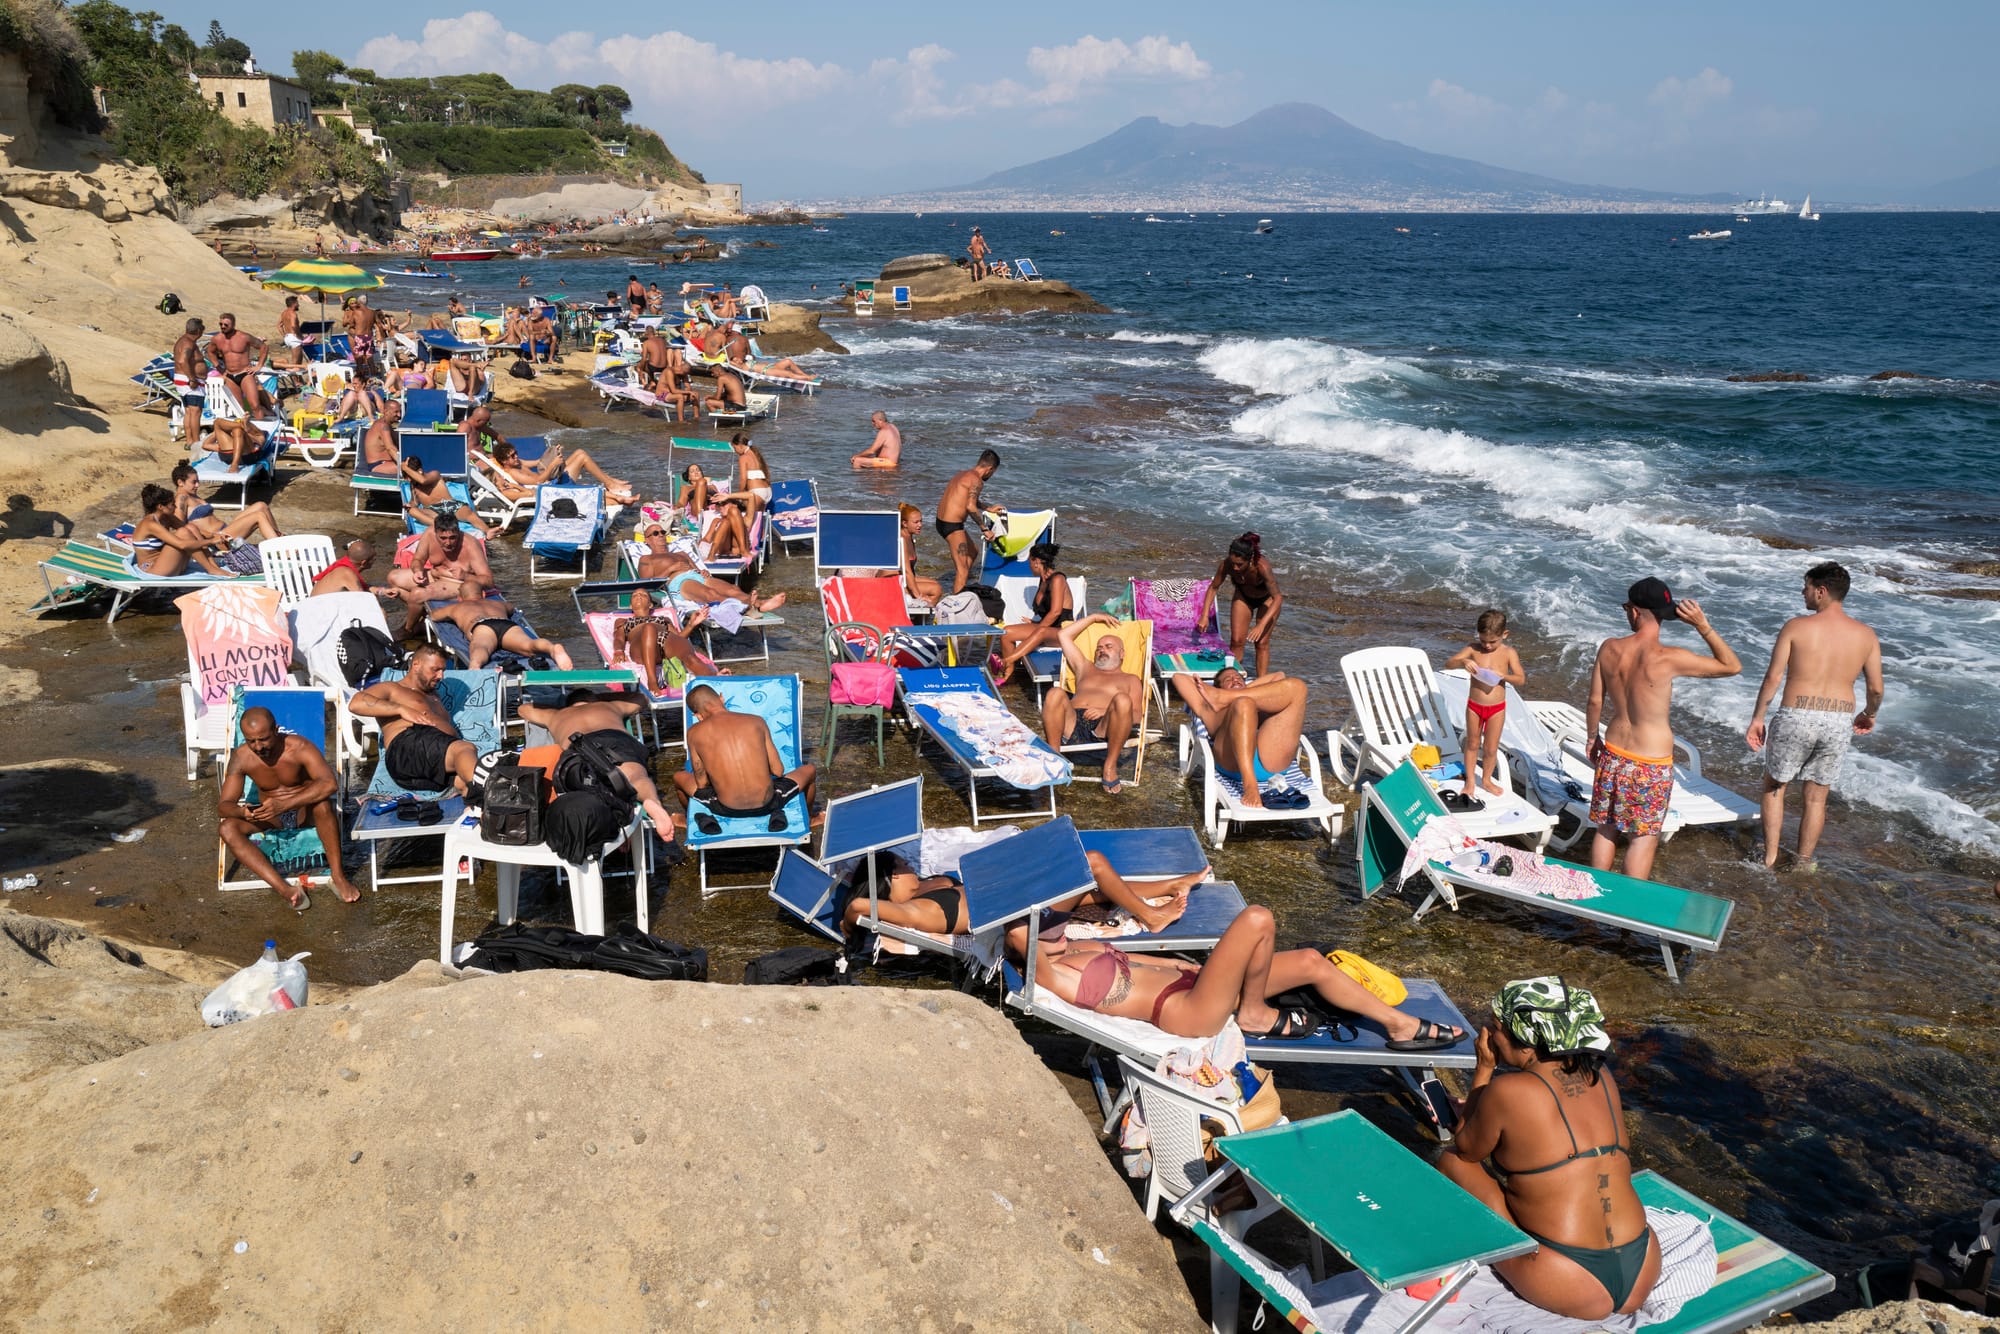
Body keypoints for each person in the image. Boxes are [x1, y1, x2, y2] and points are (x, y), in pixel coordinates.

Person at [1436, 977, 1660, 1321]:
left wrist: (1483, 1071)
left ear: (1527, 1045)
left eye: (1497, 1028)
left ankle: (1507, 1241)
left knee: (1453, 1163)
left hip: (1568, 1278)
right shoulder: (1601, 1076)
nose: (1491, 1035)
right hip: (1642, 1265)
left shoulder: (1508, 1090)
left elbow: (1466, 1147)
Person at [1009, 902, 1463, 1045]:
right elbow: (1020, 940)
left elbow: (1144, 963)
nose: (1056, 917)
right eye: (1043, 920)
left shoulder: (1076, 944)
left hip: (1192, 985)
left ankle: (1398, 1024)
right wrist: (1016, 926)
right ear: (1026, 940)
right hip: (1184, 1011)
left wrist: (1182, 965)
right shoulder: (1051, 973)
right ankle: (1253, 1012)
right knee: (1257, 919)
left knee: (1308, 961)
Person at [1585, 578, 1741, 881]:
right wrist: (1702, 626)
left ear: (1634, 611)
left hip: (1614, 752)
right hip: (1650, 763)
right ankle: (1626, 920)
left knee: (1606, 828)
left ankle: (1590, 904)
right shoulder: (1669, 657)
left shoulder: (1609, 648)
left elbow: (1594, 701)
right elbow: (1731, 665)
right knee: (1643, 838)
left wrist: (1592, 738)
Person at [1744, 562, 1884, 870]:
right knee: (1817, 798)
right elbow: (1875, 688)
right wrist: (1869, 714)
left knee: (1775, 787)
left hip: (1797, 715)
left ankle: (1769, 858)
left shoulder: (1796, 627)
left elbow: (1773, 677)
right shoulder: (1866, 635)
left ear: (1821, 591)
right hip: (1838, 720)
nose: (1802, 592)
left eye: (1806, 587)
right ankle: (1803, 863)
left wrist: (1758, 717)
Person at [848, 846, 1207, 940]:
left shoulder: (927, 884)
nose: (909, 864)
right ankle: (1152, 916)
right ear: (892, 877)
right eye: (902, 864)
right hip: (1023, 918)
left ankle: (1170, 886)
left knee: (1087, 888)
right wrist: (849, 927)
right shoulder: (919, 910)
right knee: (1092, 864)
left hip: (1015, 894)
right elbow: (860, 905)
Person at [218, 706, 362, 908]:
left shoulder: (300, 747)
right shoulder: (242, 757)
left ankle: (338, 877)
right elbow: (224, 806)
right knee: (227, 828)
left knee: (323, 805)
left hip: (304, 811)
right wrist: (243, 812)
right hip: (271, 817)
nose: (258, 747)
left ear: (276, 730)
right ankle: (284, 888)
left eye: (264, 739)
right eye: (251, 741)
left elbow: (329, 784)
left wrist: (284, 804)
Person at [516, 693, 678, 840]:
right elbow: (641, 698)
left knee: (590, 787)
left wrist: (556, 705)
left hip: (579, 745)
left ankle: (615, 823)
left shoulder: (556, 714)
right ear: (594, 699)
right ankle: (652, 802)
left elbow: (523, 710)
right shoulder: (609, 706)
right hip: (615, 738)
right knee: (636, 777)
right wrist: (604, 698)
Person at [672, 683, 818, 831]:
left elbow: (702, 783)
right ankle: (810, 818)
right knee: (810, 770)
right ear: (721, 698)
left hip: (725, 808)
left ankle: (686, 818)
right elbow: (778, 771)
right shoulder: (756, 721)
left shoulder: (694, 733)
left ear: (697, 715)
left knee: (678, 777)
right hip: (769, 803)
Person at [350, 644, 483, 798]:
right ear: (416, 665)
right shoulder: (394, 689)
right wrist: (401, 709)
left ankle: (479, 812)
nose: (441, 676)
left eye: (443, 671)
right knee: (465, 749)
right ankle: (482, 793)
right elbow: (356, 703)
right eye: (435, 670)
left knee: (466, 779)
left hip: (430, 766)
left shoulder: (435, 696)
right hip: (406, 748)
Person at [1172, 665, 1310, 810]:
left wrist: (1241, 692)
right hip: (1233, 763)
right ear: (1218, 688)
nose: (1235, 680)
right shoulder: (1207, 708)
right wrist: (1215, 692)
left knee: (1299, 687)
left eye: (1238, 678)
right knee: (1243, 704)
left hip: (1271, 761)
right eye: (1228, 680)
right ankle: (1250, 785)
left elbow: (1279, 675)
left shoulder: (1262, 700)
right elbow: (1178, 678)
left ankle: (1227, 697)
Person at [1040, 612, 1142, 793]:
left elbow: (1136, 715)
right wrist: (1094, 617)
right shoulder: (1085, 668)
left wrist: (1104, 711)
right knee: (1055, 692)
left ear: (1122, 654)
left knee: (1122, 699)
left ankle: (1109, 767)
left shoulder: (1131, 679)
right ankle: (1054, 758)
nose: (1102, 650)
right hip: (1071, 723)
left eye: (1108, 646)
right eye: (1098, 647)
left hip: (1103, 726)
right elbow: (1063, 635)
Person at [1445, 609, 1527, 800]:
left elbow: (1521, 679)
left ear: (1504, 634)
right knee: (1473, 743)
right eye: (1483, 641)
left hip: (1496, 708)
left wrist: (1503, 676)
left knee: (1491, 748)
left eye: (1492, 641)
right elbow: (1449, 663)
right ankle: (1471, 781)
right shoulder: (1473, 649)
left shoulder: (1508, 653)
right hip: (1474, 705)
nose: (1487, 646)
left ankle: (1487, 780)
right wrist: (1463, 661)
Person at [633, 525, 785, 612]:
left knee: (733, 589)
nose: (660, 535)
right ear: (647, 540)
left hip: (695, 576)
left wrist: (702, 572)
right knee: (710, 594)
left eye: (662, 532)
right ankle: (746, 607)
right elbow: (646, 584)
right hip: (678, 583)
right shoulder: (647, 559)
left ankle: (759, 603)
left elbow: (696, 569)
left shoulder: (681, 552)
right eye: (655, 533)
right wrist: (671, 568)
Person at [386, 516, 493, 634]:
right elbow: (418, 559)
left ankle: (408, 630)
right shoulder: (429, 534)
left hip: (458, 584)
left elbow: (489, 582)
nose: (448, 543)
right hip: (435, 575)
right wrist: (417, 570)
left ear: (458, 532)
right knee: (393, 577)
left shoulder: (471, 545)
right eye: (443, 538)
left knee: (417, 594)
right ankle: (420, 614)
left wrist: (466, 576)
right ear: (436, 532)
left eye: (453, 538)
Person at [429, 583, 573, 670]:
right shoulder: (497, 603)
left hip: (482, 625)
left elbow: (434, 615)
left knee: (481, 647)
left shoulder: (458, 606)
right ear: (483, 594)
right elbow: (511, 608)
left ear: (460, 598)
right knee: (529, 645)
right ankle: (552, 649)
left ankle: (475, 665)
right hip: (506, 624)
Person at [1200, 533, 1283, 679]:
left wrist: (1261, 625)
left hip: (1267, 600)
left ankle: (1262, 681)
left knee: (1261, 642)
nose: (1235, 568)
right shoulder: (1226, 565)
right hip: (1243, 596)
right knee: (1237, 641)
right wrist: (1204, 615)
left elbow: (1277, 598)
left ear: (1250, 559)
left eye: (1240, 564)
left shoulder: (1262, 567)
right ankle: (1233, 678)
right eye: (1233, 564)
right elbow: (1213, 588)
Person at [991, 542, 1071, 685]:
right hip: (1047, 629)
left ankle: (1005, 661)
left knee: (1040, 633)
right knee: (1006, 632)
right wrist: (1035, 624)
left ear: (1036, 561)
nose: (1028, 565)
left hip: (1064, 631)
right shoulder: (1044, 580)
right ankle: (1009, 674)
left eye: (1029, 561)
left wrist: (1039, 628)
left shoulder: (1058, 579)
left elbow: (1056, 611)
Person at [611, 589, 717, 694]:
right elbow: (619, 638)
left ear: (651, 605)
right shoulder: (623, 621)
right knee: (649, 628)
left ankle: (716, 679)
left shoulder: (664, 619)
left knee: (690, 657)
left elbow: (678, 639)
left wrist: (691, 624)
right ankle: (652, 682)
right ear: (630, 606)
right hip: (641, 648)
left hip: (666, 643)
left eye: (644, 595)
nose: (639, 596)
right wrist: (619, 651)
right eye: (635, 595)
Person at [484, 438, 637, 506]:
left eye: (516, 453)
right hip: (549, 485)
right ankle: (612, 489)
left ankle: (611, 483)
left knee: (579, 453)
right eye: (512, 456)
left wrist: (552, 453)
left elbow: (539, 462)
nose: (516, 457)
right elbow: (538, 481)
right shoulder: (514, 473)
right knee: (581, 456)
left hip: (550, 479)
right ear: (504, 461)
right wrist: (553, 465)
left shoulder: (518, 463)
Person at [130, 483, 235, 578]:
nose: (175, 507)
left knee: (190, 528)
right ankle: (210, 569)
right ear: (161, 507)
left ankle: (213, 566)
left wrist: (216, 536)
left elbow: (192, 530)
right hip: (152, 569)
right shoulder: (150, 524)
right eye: (172, 504)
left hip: (171, 565)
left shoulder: (167, 517)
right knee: (183, 533)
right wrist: (212, 541)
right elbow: (181, 545)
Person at [937, 449, 1003, 594]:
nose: (991, 475)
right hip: (952, 526)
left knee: (973, 551)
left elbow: (967, 500)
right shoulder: (977, 481)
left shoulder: (963, 474)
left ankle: (960, 584)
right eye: (993, 472)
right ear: (990, 469)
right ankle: (957, 603)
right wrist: (985, 528)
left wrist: (988, 508)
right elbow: (970, 507)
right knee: (963, 570)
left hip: (942, 522)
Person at [401, 455, 495, 537]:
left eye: (410, 476)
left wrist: (405, 468)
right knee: (412, 511)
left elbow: (423, 481)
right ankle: (438, 526)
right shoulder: (413, 485)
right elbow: (415, 502)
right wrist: (410, 504)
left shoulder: (434, 474)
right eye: (406, 477)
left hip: (449, 504)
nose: (408, 480)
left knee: (468, 512)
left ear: (420, 471)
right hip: (432, 511)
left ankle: (488, 530)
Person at [205, 312, 275, 417]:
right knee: (238, 409)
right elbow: (210, 351)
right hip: (229, 376)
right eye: (221, 324)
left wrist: (259, 365)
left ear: (233, 325)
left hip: (245, 374)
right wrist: (218, 367)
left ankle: (263, 430)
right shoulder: (217, 339)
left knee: (255, 406)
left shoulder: (243, 337)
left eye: (226, 325)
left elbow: (263, 347)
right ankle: (245, 432)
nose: (223, 327)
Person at [170, 317, 209, 445]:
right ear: (198, 330)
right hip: (190, 381)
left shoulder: (182, 341)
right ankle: (196, 442)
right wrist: (192, 378)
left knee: (189, 411)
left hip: (183, 379)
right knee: (195, 412)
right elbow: (182, 361)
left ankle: (189, 441)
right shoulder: (188, 343)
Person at [896, 504, 943, 607]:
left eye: (921, 521)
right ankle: (919, 619)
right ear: (904, 523)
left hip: (903, 578)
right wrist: (918, 596)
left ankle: (919, 617)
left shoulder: (909, 537)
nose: (920, 525)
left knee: (935, 583)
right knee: (936, 590)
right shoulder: (901, 539)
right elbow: (907, 572)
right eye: (916, 522)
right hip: (895, 582)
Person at [310, 539, 392, 597]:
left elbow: (365, 588)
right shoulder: (346, 573)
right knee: (380, 613)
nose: (375, 561)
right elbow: (363, 599)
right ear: (364, 562)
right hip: (319, 614)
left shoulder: (343, 566)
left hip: (323, 608)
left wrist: (383, 591)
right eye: (374, 559)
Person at [729, 432, 771, 517]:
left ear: (740, 445)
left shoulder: (743, 457)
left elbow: (743, 479)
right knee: (759, 523)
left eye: (734, 447)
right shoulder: (755, 454)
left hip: (757, 492)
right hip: (767, 491)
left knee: (749, 523)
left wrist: (739, 495)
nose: (735, 451)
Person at [358, 400, 401, 476]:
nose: (399, 415)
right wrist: (403, 464)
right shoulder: (383, 426)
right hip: (378, 464)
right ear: (386, 411)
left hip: (386, 463)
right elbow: (390, 448)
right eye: (396, 412)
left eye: (400, 411)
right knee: (413, 469)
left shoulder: (387, 425)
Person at [341, 295, 379, 378]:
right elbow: (376, 322)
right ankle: (373, 377)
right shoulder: (371, 311)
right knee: (366, 357)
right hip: (366, 336)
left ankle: (361, 377)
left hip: (360, 336)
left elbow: (351, 323)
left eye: (355, 302)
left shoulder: (357, 312)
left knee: (360, 359)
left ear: (358, 302)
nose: (354, 304)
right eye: (352, 303)